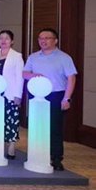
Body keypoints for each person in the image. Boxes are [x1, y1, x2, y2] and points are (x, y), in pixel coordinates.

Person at [23, 28, 77, 171]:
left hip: (56, 95)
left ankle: (56, 158)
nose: (43, 41)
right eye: (40, 38)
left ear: (55, 40)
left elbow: (71, 78)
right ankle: (36, 154)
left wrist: (67, 98)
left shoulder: (64, 57)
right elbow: (24, 73)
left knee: (54, 128)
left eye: (47, 38)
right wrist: (32, 75)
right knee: (36, 126)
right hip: (36, 96)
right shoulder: (33, 57)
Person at [0, 30, 24, 159]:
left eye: (7, 38)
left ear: (12, 41)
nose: (3, 40)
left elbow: (19, 77)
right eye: (1, 38)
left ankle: (11, 147)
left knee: (11, 120)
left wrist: (18, 95)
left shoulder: (17, 56)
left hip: (10, 93)